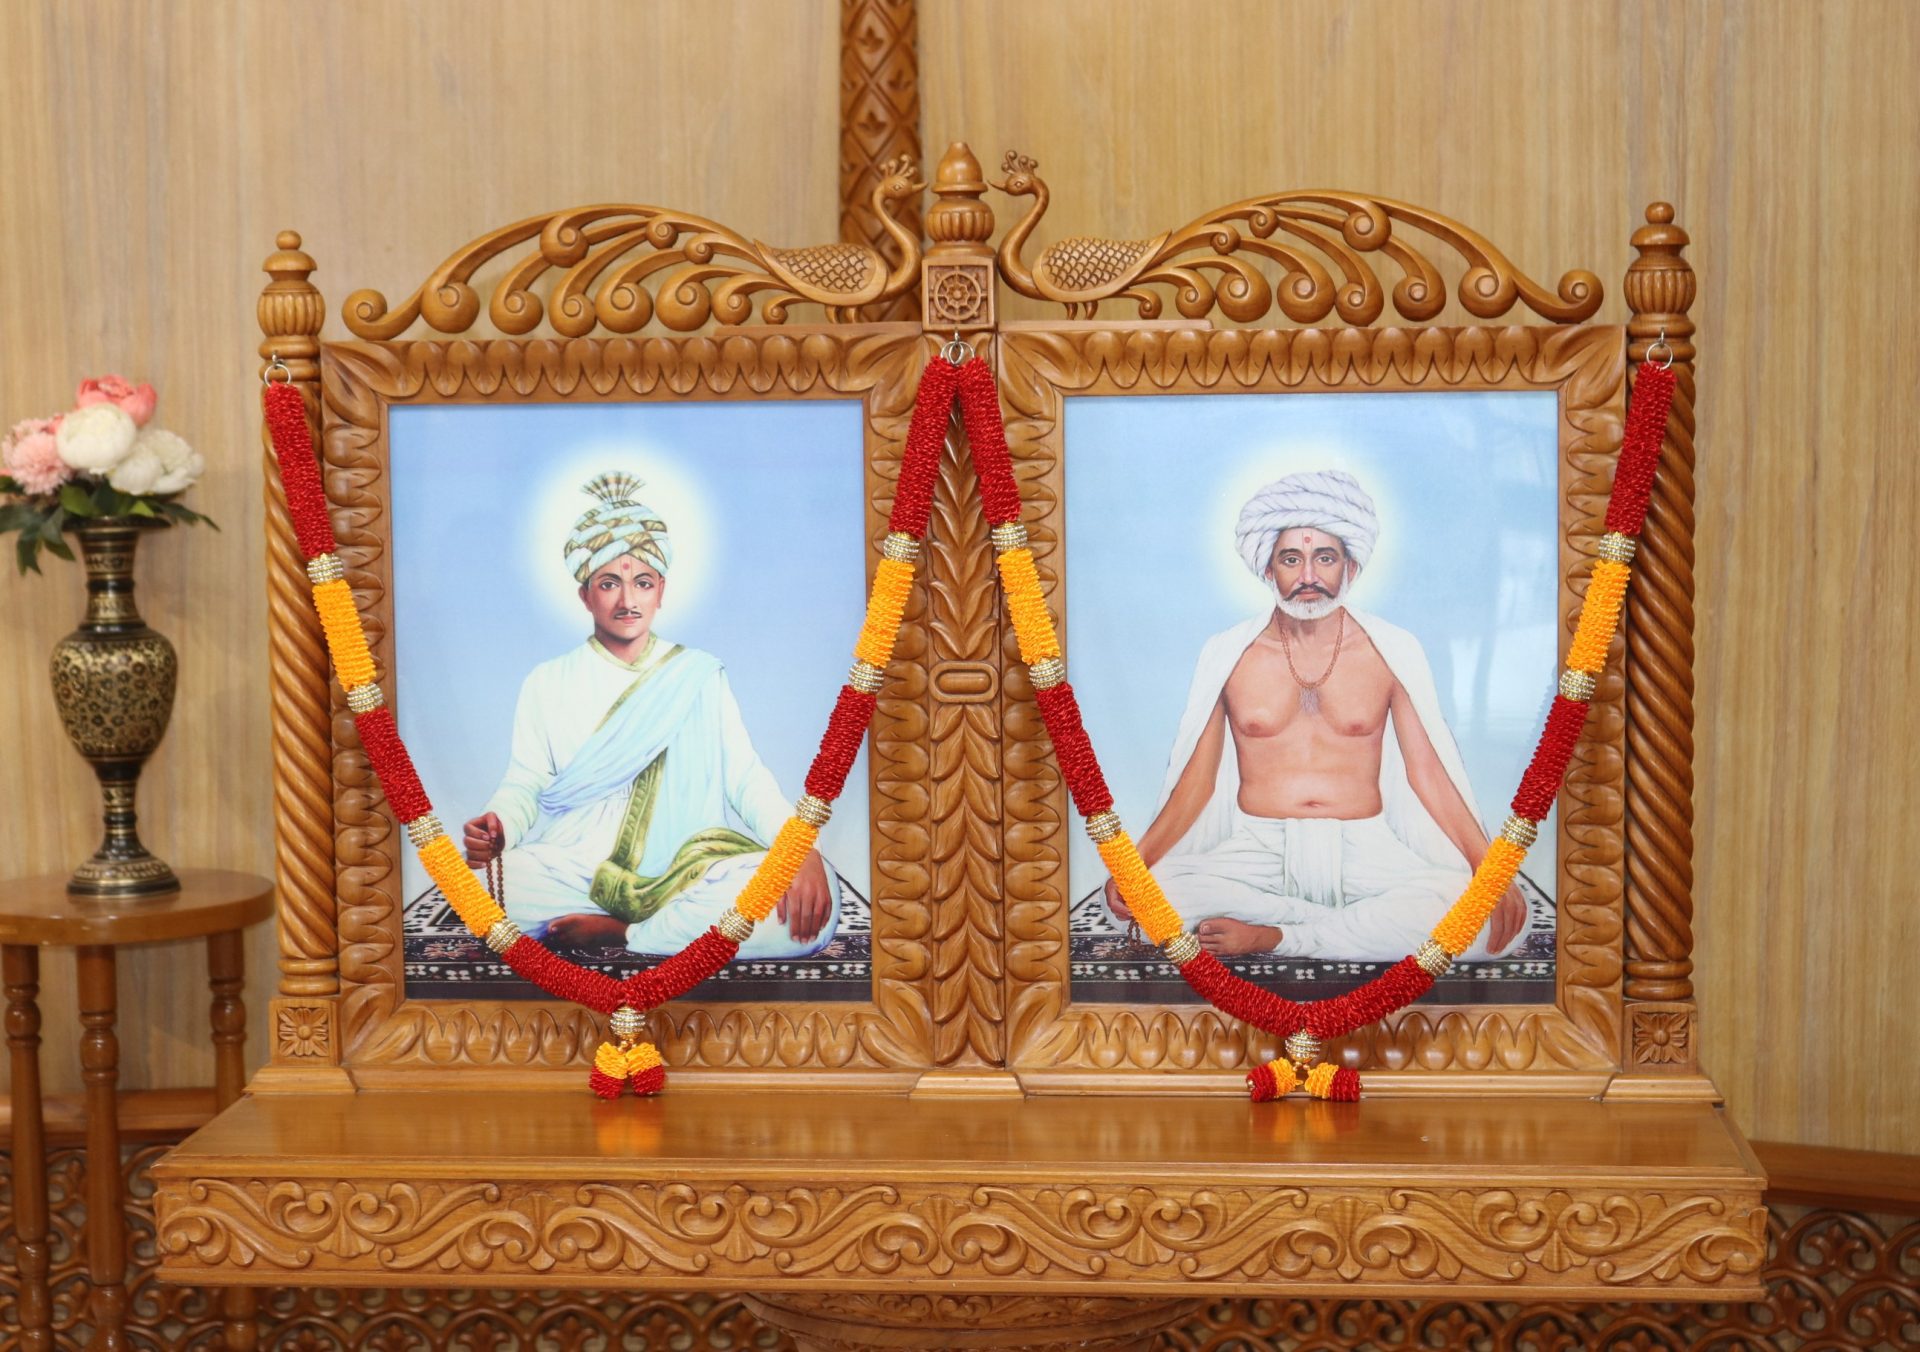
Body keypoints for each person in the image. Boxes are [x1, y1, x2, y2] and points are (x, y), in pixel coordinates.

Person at [1105, 469, 1528, 962]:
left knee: (1492, 922)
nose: (1308, 576)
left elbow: (1427, 774)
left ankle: (1281, 936)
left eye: (1324, 558)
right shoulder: (1230, 654)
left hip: (1364, 852)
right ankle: (1343, 928)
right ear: (1269, 570)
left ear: (1350, 568)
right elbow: (1196, 786)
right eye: (1291, 559)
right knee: (1140, 900)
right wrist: (1136, 868)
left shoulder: (1388, 650)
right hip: (1257, 853)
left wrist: (1491, 872)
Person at [462, 471, 838, 957]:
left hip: (687, 869)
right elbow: (526, 782)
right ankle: (664, 932)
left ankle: (624, 934)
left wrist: (800, 850)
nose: (627, 600)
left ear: (661, 591)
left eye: (642, 583)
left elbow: (745, 779)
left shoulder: (698, 675)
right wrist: (499, 827)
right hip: (576, 871)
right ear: (585, 594)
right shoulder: (548, 681)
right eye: (608, 583)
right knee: (481, 891)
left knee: (813, 903)